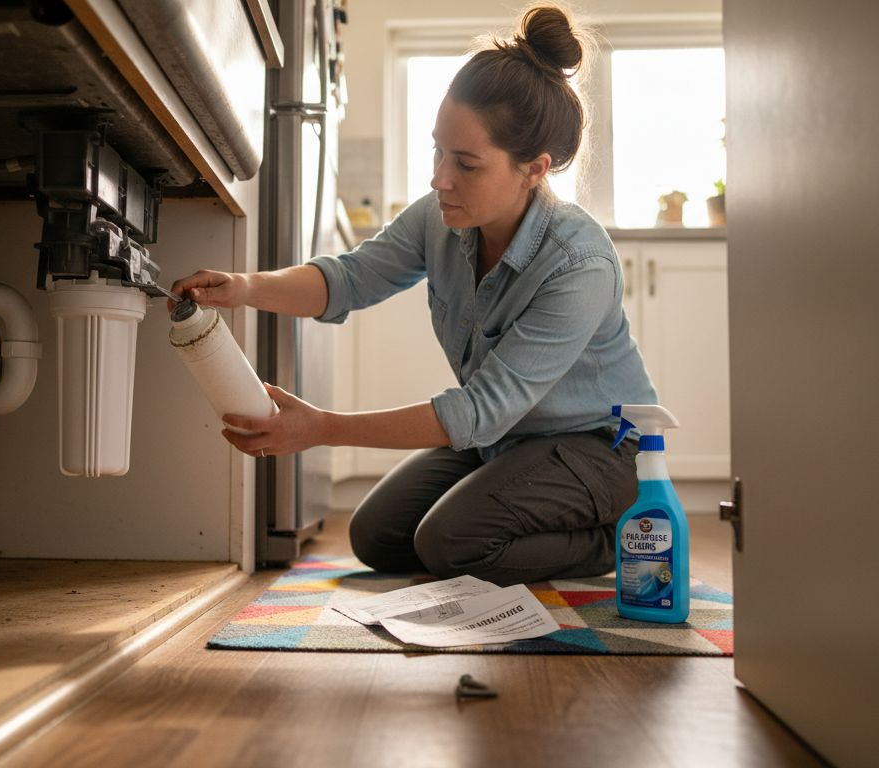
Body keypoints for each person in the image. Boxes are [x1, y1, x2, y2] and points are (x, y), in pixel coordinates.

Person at [169, 3, 657, 586]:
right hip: (507, 439)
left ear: (534, 169)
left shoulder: (579, 264)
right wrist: (244, 288)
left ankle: (618, 536)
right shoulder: (440, 218)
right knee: (376, 536)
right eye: (438, 151)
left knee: (450, 542)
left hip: (599, 450)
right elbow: (349, 279)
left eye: (466, 164)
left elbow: (479, 409)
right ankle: (507, 524)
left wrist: (321, 426)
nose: (439, 178)